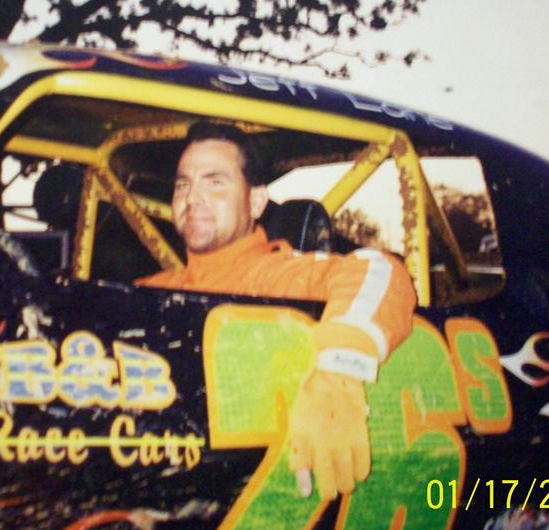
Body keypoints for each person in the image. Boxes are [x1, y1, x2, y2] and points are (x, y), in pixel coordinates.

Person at [137, 121, 416, 500]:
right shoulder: (150, 289)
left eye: (215, 182)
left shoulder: (279, 275)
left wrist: (340, 371)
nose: (193, 198)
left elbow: (380, 270)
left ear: (256, 202)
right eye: (183, 185)